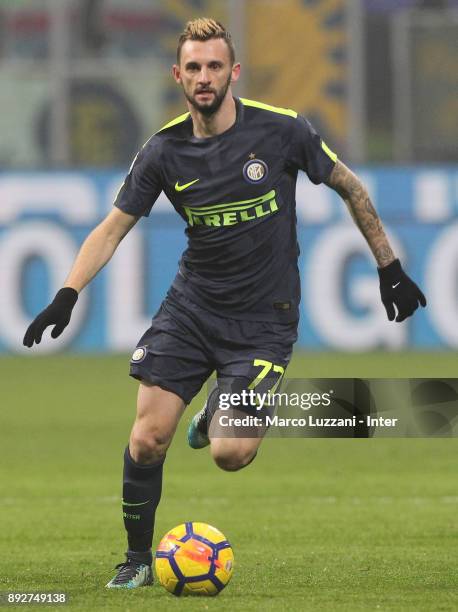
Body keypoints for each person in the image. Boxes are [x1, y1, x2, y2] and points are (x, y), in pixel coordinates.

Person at [23, 18, 426, 589]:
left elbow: (350, 187)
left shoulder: (282, 132)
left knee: (231, 453)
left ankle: (217, 413)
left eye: (215, 66)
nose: (204, 77)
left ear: (233, 72)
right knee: (146, 438)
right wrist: (67, 294)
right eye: (193, 68)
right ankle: (137, 561)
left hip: (264, 322)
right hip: (192, 310)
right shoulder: (163, 150)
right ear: (178, 76)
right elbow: (112, 228)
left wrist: (390, 268)